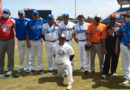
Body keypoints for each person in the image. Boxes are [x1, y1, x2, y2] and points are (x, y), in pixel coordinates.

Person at [101, 14, 120, 79]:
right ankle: (105, 73)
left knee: (115, 59)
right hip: (108, 45)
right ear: (110, 19)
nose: (113, 20)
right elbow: (104, 38)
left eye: (114, 18)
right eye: (112, 18)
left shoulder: (119, 26)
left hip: (116, 45)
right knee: (107, 59)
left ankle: (113, 72)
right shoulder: (106, 27)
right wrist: (103, 47)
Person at [26, 10, 44, 75]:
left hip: (39, 41)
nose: (35, 16)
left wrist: (42, 19)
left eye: (36, 14)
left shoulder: (41, 21)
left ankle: (40, 69)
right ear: (32, 15)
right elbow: (27, 34)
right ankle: (32, 69)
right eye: (33, 14)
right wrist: (28, 42)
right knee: (32, 56)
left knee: (40, 56)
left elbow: (49, 21)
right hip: (32, 41)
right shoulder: (29, 23)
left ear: (38, 15)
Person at [115, 11, 130, 85]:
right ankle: (128, 78)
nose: (128, 18)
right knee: (125, 63)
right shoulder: (123, 26)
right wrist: (116, 48)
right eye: (127, 16)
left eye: (129, 16)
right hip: (123, 45)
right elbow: (118, 37)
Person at [0, 9, 15, 77]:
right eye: (4, 13)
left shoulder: (13, 21)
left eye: (6, 13)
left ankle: (10, 69)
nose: (5, 14)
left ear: (9, 14)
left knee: (10, 55)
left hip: (10, 40)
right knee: (1, 55)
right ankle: (1, 68)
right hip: (1, 40)